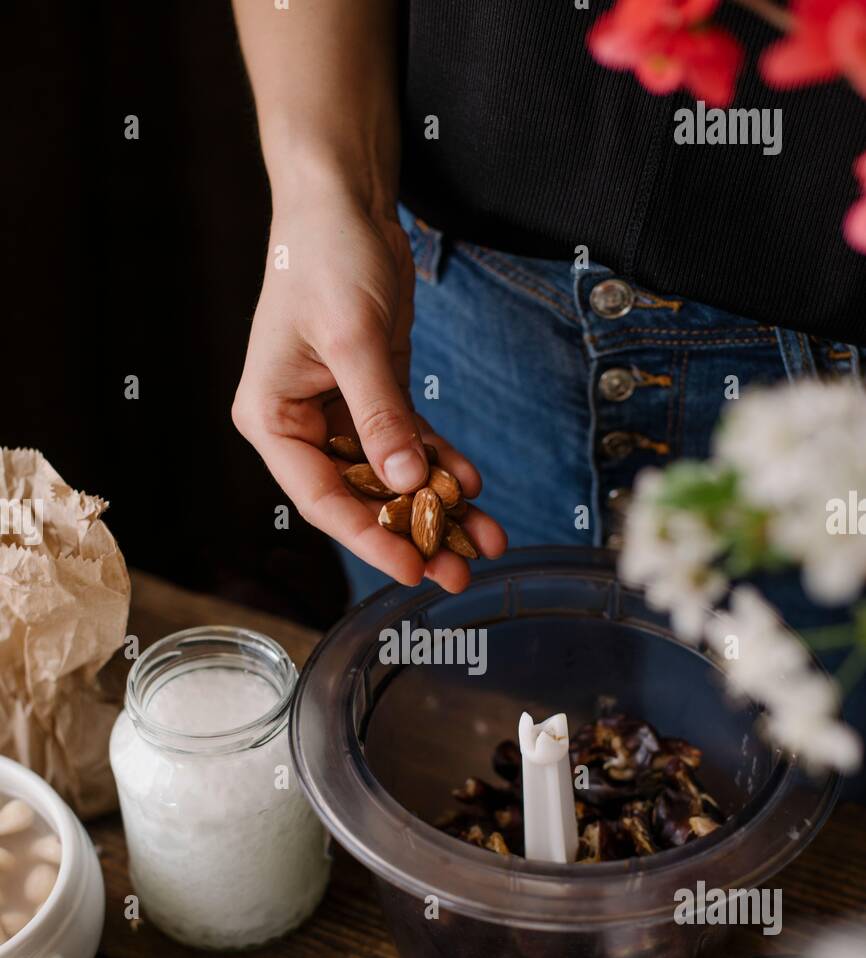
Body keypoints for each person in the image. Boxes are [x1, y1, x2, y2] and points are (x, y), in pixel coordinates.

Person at [230, 0, 866, 610]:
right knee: (444, 702)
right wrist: (325, 195)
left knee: (799, 712)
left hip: (832, 411)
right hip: (459, 309)